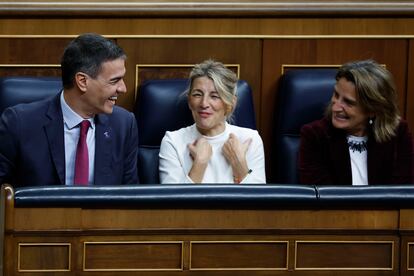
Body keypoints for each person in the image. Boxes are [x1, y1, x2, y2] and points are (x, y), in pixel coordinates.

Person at [0, 33, 138, 186]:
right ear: (82, 81)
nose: (123, 88)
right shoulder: (20, 124)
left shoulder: (124, 125)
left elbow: (130, 197)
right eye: (115, 81)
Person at [299, 59, 413, 185]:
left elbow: (403, 191)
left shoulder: (398, 133)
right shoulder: (315, 136)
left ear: (373, 109)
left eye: (348, 102)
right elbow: (322, 197)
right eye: (336, 95)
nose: (335, 107)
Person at [159, 59, 266, 184]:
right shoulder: (172, 141)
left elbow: (258, 202)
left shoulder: (250, 139)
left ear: (231, 103)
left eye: (214, 96)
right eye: (197, 94)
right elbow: (172, 202)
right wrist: (199, 163)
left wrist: (239, 164)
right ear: (189, 101)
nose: (204, 104)